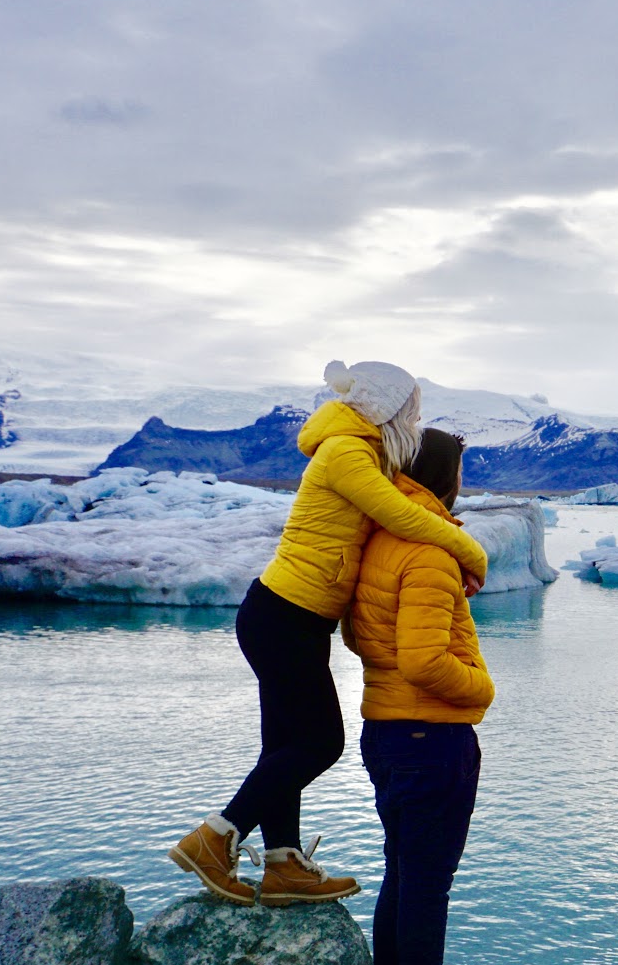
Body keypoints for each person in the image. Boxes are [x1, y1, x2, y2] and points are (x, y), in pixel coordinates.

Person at [167, 361, 489, 908]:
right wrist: (473, 552)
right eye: (412, 410)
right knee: (320, 743)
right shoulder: (346, 452)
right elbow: (405, 518)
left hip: (293, 617)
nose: (416, 422)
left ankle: (283, 864)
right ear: (389, 411)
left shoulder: (357, 451)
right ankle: (215, 837)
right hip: (284, 615)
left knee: (284, 747)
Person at [342, 428, 495, 965]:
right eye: (461, 470)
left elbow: (360, 638)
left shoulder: (380, 539)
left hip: (387, 730)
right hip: (432, 736)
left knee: (402, 877)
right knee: (427, 881)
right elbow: (426, 660)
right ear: (443, 479)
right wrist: (481, 688)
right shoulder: (428, 552)